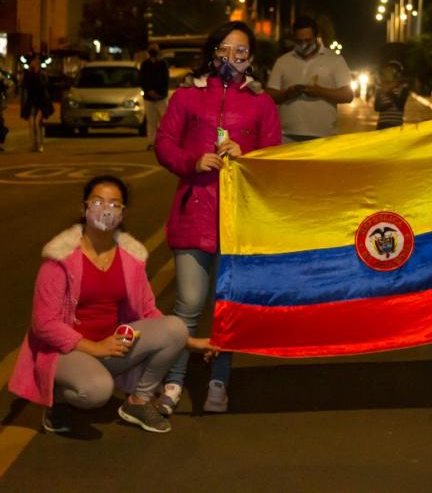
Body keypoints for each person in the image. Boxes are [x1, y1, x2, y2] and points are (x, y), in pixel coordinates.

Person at [155, 21, 281, 415]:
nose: (232, 59)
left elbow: (274, 159)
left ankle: (218, 381)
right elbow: (163, 144)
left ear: (252, 60)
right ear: (212, 53)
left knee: (227, 309)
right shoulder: (187, 98)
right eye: (225, 50)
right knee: (189, 305)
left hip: (238, 222)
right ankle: (173, 384)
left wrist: (250, 156)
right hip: (194, 214)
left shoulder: (262, 104)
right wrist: (192, 161)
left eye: (241, 52)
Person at [8, 175, 196, 434]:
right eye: (97, 201)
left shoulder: (131, 258)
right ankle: (59, 398)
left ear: (123, 212)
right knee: (96, 392)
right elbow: (44, 324)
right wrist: (95, 347)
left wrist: (191, 341)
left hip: (109, 346)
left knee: (175, 327)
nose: (105, 209)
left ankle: (138, 401)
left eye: (114, 204)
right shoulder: (59, 258)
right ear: (84, 208)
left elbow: (148, 311)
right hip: (66, 351)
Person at [266, 16, 353, 142]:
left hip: (322, 137)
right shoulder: (283, 61)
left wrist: (320, 92)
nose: (304, 45)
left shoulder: (335, 60)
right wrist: (287, 94)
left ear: (317, 37)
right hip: (287, 136)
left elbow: (348, 95)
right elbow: (269, 94)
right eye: (299, 41)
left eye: (308, 40)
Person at [20, 53, 54, 153]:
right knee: (31, 124)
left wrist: (39, 75)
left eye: (37, 60)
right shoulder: (28, 73)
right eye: (34, 60)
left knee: (37, 123)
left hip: (41, 101)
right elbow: (25, 87)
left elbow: (45, 86)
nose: (36, 62)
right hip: (31, 101)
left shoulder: (42, 73)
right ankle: (33, 144)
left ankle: (39, 144)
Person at [139, 43, 169, 150]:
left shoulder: (162, 64)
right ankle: (152, 142)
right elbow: (142, 80)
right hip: (149, 97)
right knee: (151, 121)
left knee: (164, 121)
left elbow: (165, 80)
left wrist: (159, 93)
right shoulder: (145, 64)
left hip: (161, 97)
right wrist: (149, 91)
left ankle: (165, 142)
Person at [373, 60, 409, 130]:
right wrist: (389, 105)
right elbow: (376, 107)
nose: (387, 73)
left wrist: (388, 92)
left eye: (390, 71)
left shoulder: (403, 88)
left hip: (397, 126)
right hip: (382, 125)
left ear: (397, 74)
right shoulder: (380, 88)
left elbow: (400, 106)